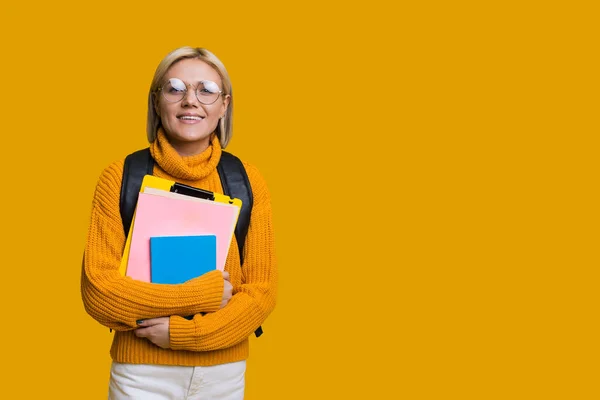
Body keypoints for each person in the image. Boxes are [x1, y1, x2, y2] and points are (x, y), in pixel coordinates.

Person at [81, 46, 277, 399]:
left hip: (223, 375)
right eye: (175, 88)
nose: (191, 100)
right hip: (141, 376)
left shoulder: (246, 179)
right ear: (157, 102)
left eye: (206, 90)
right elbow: (99, 293)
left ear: (224, 105)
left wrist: (184, 334)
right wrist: (202, 294)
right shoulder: (120, 177)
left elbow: (261, 294)